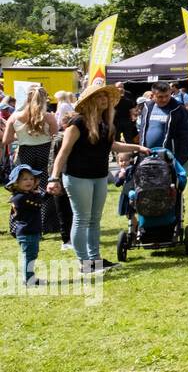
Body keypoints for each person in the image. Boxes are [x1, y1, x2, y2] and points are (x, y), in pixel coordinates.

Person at [48, 84, 149, 273]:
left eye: (106, 96)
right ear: (89, 101)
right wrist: (53, 178)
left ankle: (95, 259)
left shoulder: (105, 123)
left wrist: (137, 148)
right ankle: (84, 263)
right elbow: (63, 152)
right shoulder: (77, 123)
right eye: (99, 96)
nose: (104, 99)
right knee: (82, 219)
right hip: (78, 177)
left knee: (95, 220)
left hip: (99, 176)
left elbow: (112, 145)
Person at [1, 86, 66, 249]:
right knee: (46, 188)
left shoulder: (15, 116)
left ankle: (18, 225)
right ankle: (46, 225)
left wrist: (21, 134)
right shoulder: (49, 116)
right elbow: (55, 136)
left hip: (25, 153)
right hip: (45, 152)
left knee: (21, 188)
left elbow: (7, 140)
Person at [137, 81, 188, 166]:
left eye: (167, 96)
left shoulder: (179, 109)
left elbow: (187, 136)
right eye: (160, 97)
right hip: (147, 157)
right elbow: (143, 130)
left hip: (170, 158)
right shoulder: (147, 107)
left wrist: (180, 160)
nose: (164, 99)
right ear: (152, 96)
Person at [8, 164, 47, 286]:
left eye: (31, 178)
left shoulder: (27, 195)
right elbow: (38, 204)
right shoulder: (20, 198)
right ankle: (28, 280)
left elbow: (38, 200)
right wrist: (47, 194)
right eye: (24, 179)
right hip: (27, 233)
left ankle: (30, 278)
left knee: (31, 255)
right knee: (29, 256)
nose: (29, 181)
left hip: (31, 231)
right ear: (16, 183)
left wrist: (39, 193)